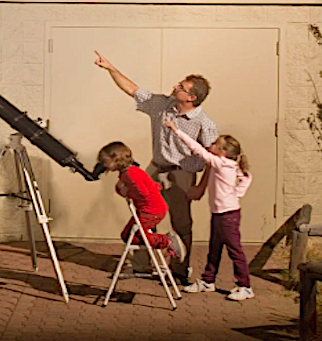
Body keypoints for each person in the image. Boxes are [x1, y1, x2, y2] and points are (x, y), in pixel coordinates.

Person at [94, 51, 217, 281]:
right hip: (155, 168)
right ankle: (141, 266)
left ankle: (179, 271)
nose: (175, 87)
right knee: (143, 215)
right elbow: (132, 89)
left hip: (182, 173)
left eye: (181, 87)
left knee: (181, 223)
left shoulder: (204, 123)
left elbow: (213, 157)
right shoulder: (162, 104)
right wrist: (110, 68)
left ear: (191, 97)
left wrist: (201, 186)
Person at [165, 118, 254, 301]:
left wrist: (176, 130)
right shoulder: (228, 164)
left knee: (234, 250)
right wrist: (237, 193)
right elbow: (246, 177)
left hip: (227, 215)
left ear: (222, 152)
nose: (211, 145)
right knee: (214, 248)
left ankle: (245, 286)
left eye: (215, 144)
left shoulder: (221, 163)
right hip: (220, 214)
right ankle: (208, 280)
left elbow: (197, 149)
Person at [96, 141, 186, 264]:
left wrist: (126, 191)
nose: (104, 165)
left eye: (106, 161)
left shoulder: (131, 174)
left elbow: (143, 192)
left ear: (116, 159)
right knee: (127, 235)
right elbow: (152, 186)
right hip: (146, 209)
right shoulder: (128, 172)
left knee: (136, 235)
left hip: (152, 210)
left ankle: (167, 241)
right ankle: (152, 250)